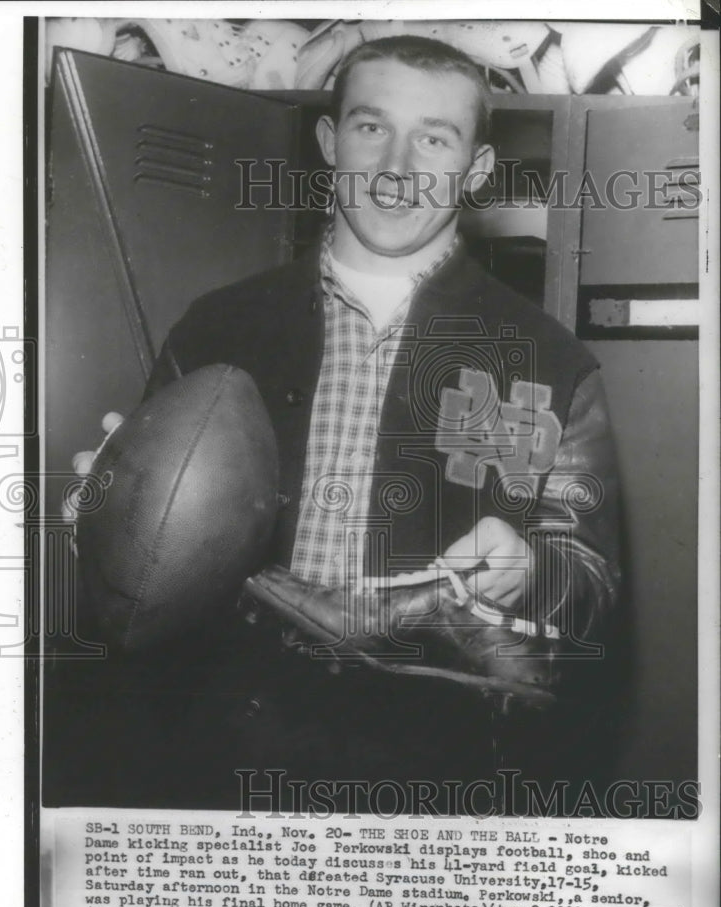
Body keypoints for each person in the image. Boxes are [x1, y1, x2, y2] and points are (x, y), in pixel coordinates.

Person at [70, 36, 621, 812]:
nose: (398, 164)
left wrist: (532, 569)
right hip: (224, 759)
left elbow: (592, 582)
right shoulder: (220, 328)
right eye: (371, 127)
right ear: (331, 144)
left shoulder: (547, 359)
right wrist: (103, 520)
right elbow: (133, 578)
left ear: (478, 170)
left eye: (436, 137)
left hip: (436, 773)